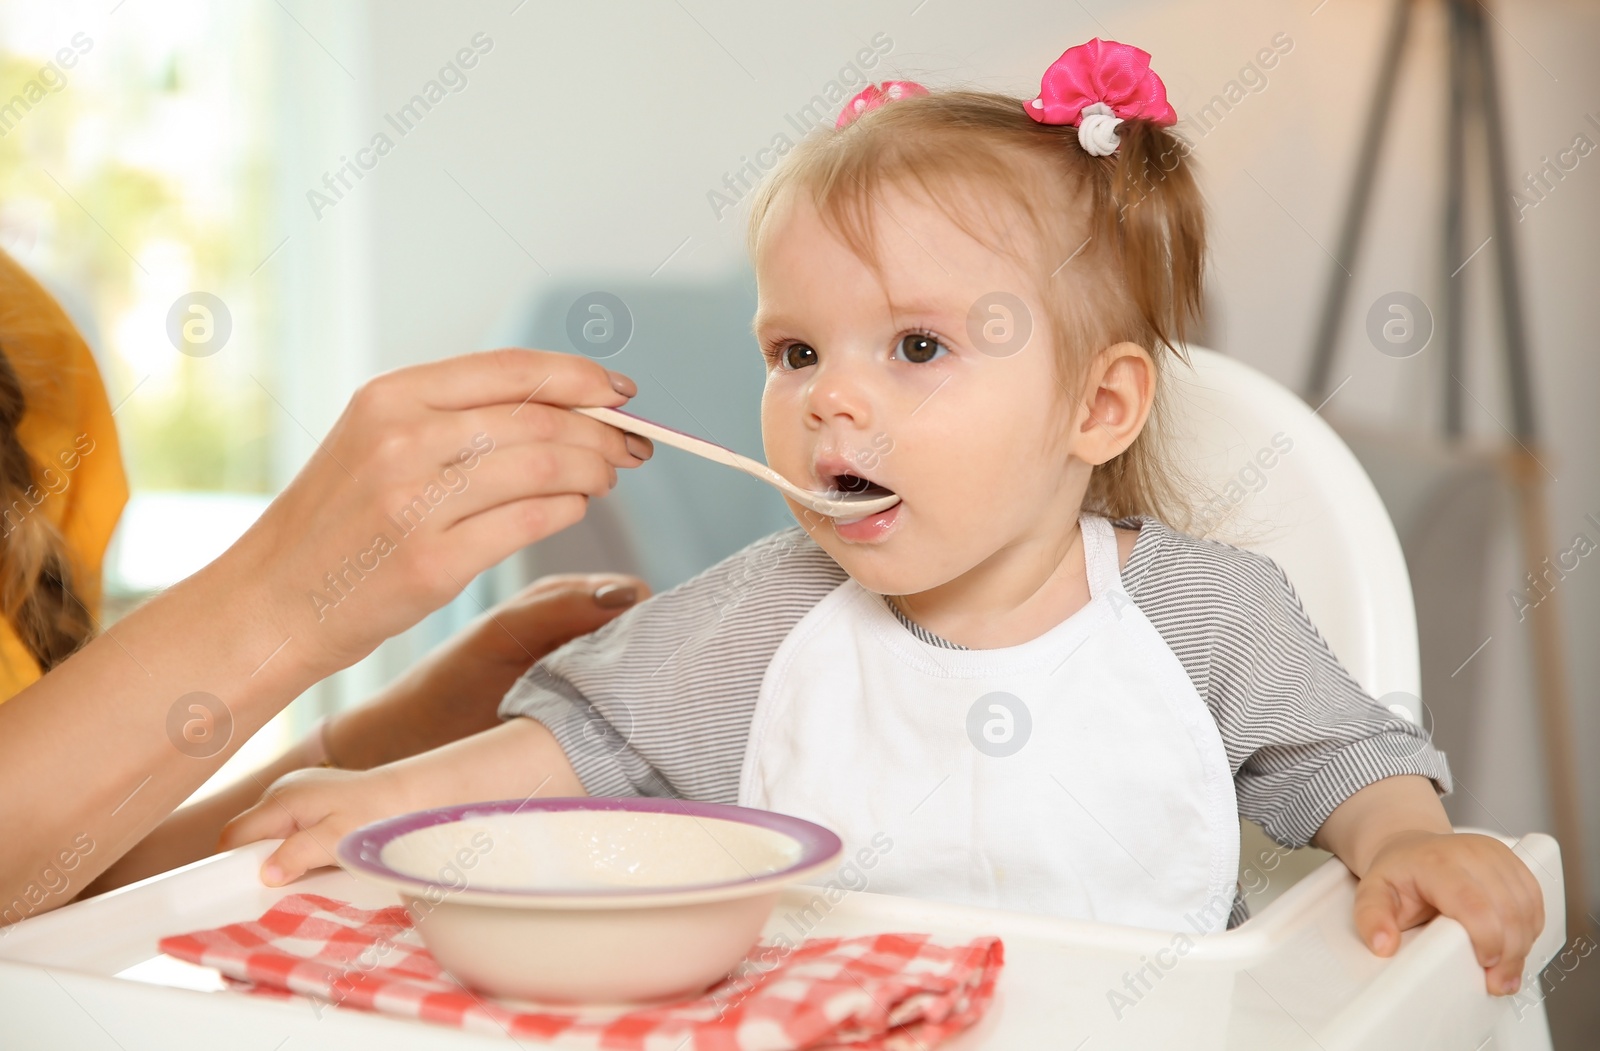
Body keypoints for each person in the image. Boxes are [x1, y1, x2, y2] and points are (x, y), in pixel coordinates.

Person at [224, 39, 1543, 996]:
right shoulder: (761, 614)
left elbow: (1341, 758)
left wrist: (1414, 842)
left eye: (914, 346)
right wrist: (390, 798)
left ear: (1097, 407)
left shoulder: (1207, 613)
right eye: (796, 351)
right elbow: (578, 747)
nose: (829, 397)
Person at [0, 244, 655, 918]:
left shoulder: (30, 345)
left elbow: (55, 888)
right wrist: (280, 600)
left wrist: (396, 739)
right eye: (774, 353)